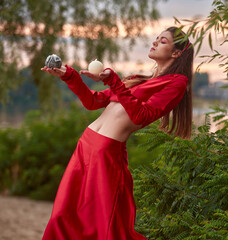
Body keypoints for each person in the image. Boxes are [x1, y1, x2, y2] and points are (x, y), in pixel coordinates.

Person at [40, 26, 193, 240]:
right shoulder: (139, 79)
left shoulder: (176, 82)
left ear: (176, 53)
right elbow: (94, 101)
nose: (155, 42)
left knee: (106, 227)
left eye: (163, 41)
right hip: (86, 145)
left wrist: (114, 81)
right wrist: (70, 76)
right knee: (63, 217)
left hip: (106, 152)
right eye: (156, 38)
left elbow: (142, 115)